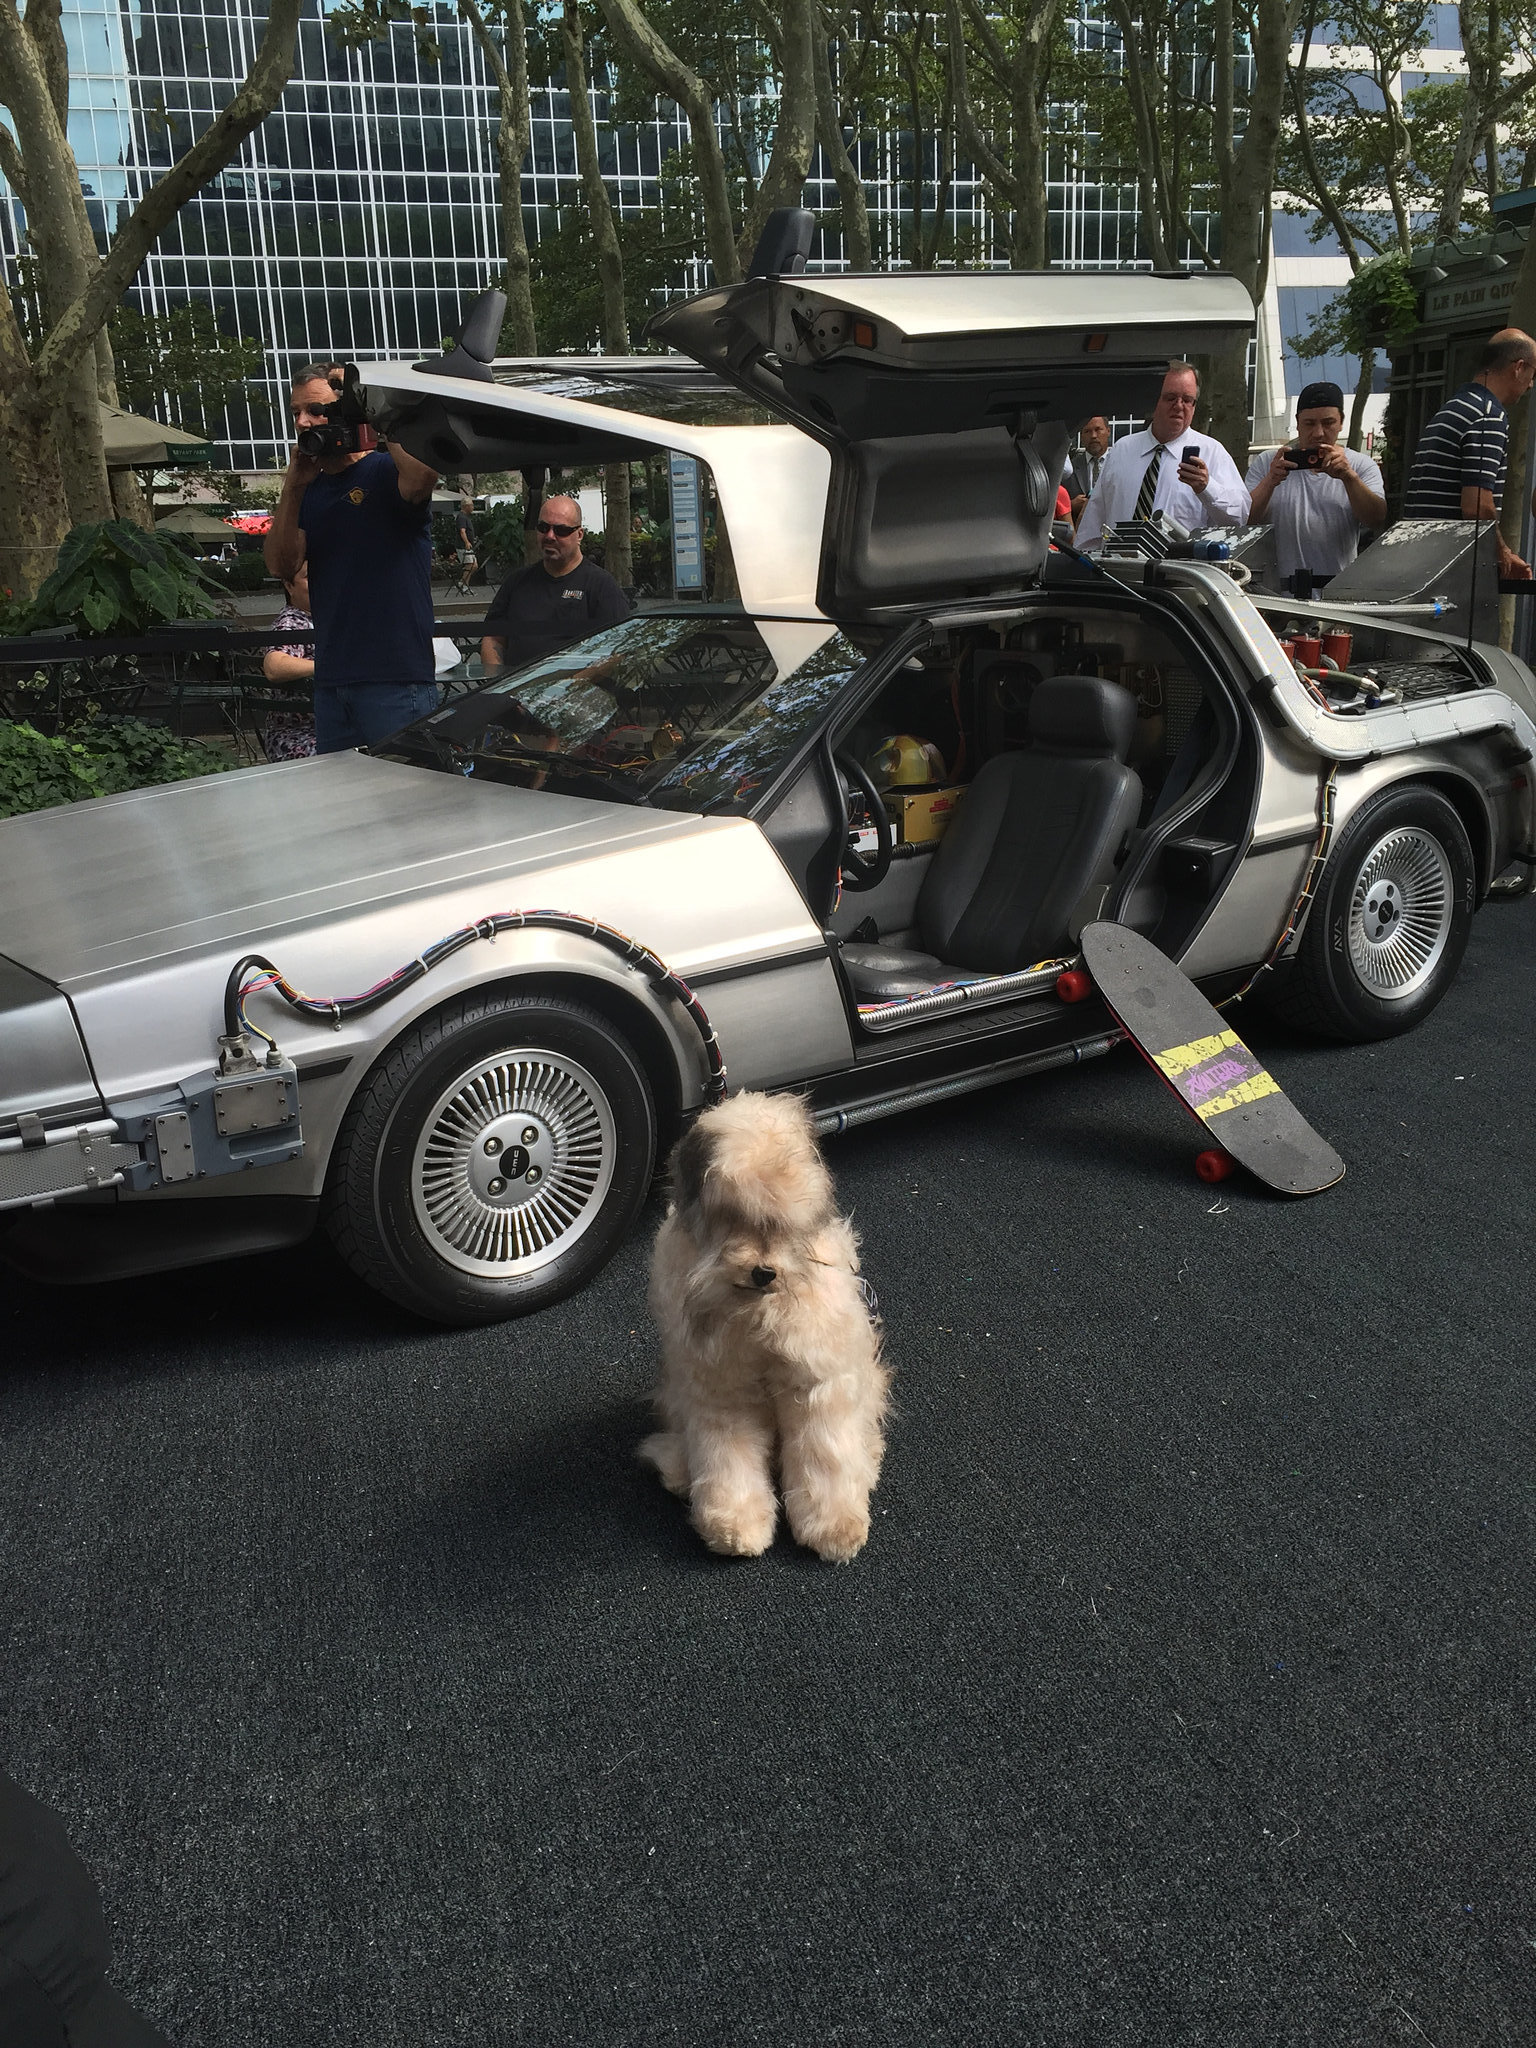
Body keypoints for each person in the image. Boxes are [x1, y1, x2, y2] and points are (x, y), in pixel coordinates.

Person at [264, 361, 441, 752]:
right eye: (296, 413)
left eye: (316, 410)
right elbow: (280, 566)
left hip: (394, 679)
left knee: (407, 799)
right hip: (333, 682)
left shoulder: (382, 471)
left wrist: (371, 399)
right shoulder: (309, 489)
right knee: (346, 808)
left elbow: (423, 477)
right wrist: (293, 485)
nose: (304, 423)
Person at [1402, 328, 1536, 580]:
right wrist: (1502, 552)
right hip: (1450, 572)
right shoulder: (1489, 415)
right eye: (1533, 373)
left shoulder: (1454, 407)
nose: (1531, 384)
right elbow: (1476, 506)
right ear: (1518, 367)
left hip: (1420, 560)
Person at [1075, 363, 1249, 550]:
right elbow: (1095, 520)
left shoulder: (1212, 452)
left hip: (1178, 573)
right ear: (1153, 400)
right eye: (1171, 398)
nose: (1179, 406)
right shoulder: (1122, 449)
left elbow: (1240, 518)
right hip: (1119, 572)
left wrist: (1207, 488)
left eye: (1187, 400)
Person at [1244, 380, 1387, 594]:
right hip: (1277, 594)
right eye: (1309, 423)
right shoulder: (1268, 463)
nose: (1318, 433)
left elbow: (1376, 518)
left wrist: (1349, 478)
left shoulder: (1359, 465)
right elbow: (1244, 520)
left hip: (1335, 591)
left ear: (1341, 423)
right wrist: (1270, 481)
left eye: (1328, 423)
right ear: (1298, 423)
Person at [479, 493, 631, 673]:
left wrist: (573, 685)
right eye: (543, 527)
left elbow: (619, 648)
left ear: (579, 534)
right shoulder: (516, 582)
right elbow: (493, 638)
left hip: (576, 693)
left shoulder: (601, 586)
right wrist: (498, 684)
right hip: (516, 693)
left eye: (561, 530)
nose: (550, 536)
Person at [260, 561, 318, 760]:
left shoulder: (322, 619)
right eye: (310, 576)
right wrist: (328, 666)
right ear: (289, 585)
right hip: (299, 736)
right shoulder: (292, 623)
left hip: (326, 729)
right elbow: (274, 666)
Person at [1068, 415, 1111, 523]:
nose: (1093, 436)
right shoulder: (1069, 469)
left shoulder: (1120, 465)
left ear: (1108, 431)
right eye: (1087, 431)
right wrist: (1070, 505)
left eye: (1098, 430)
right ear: (1081, 436)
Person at [453, 495, 479, 595]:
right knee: (470, 565)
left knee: (474, 565)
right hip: (463, 546)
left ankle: (463, 583)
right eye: (471, 505)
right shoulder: (462, 517)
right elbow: (462, 531)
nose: (473, 507)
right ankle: (463, 584)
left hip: (468, 546)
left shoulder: (465, 517)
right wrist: (467, 542)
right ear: (466, 506)